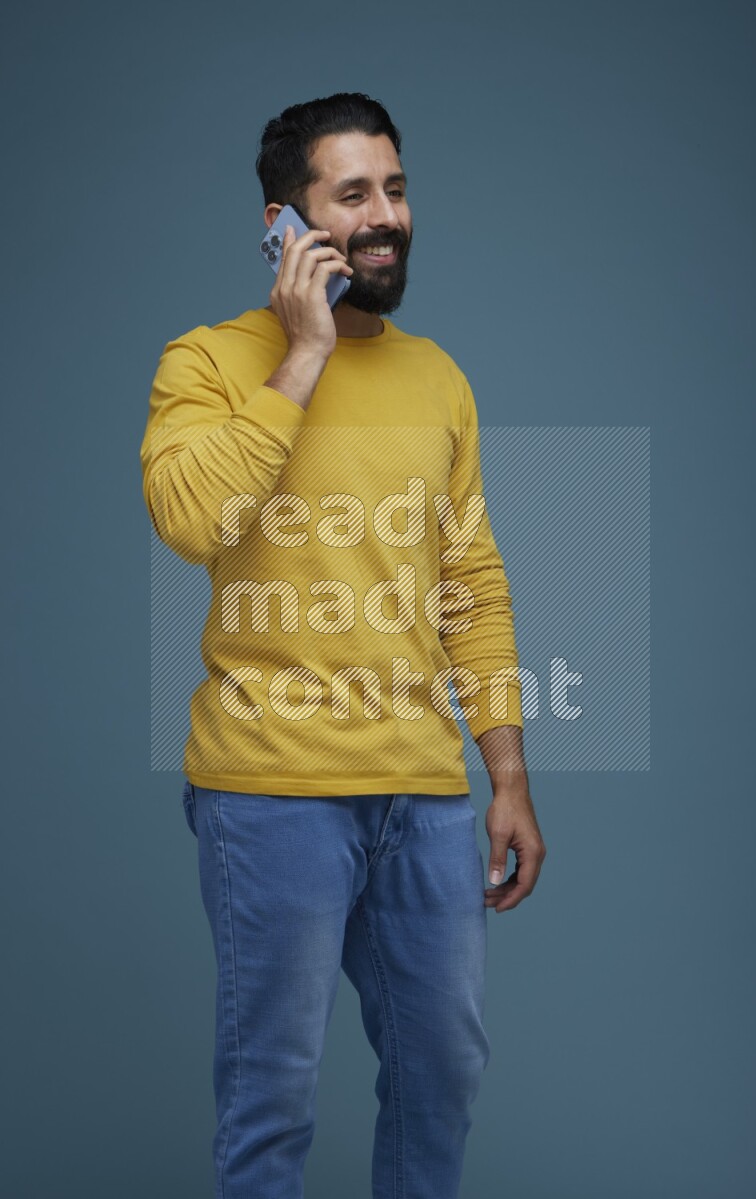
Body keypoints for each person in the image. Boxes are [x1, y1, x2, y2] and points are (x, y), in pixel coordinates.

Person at [140, 91, 546, 1199]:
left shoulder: (437, 377)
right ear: (285, 222)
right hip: (271, 792)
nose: (384, 216)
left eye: (396, 189)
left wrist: (503, 770)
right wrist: (305, 352)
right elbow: (192, 521)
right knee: (272, 1093)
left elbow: (471, 584)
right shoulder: (210, 363)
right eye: (352, 192)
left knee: (443, 1070)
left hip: (423, 792)